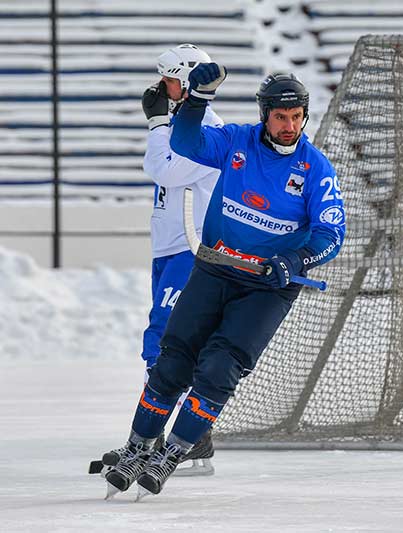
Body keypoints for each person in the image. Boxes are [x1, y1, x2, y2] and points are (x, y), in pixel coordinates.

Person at [102, 62, 346, 498]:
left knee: (219, 367)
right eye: (280, 117)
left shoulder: (317, 169)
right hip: (216, 266)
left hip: (268, 286)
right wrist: (196, 101)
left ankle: (175, 452)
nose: (289, 126)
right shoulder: (235, 141)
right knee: (172, 360)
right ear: (264, 114)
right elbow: (184, 141)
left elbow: (332, 235)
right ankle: (137, 446)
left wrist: (292, 261)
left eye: (296, 117)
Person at [97, 43, 223, 477]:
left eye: (169, 79)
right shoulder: (178, 123)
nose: (160, 87)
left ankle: (175, 442)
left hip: (191, 248)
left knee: (165, 339)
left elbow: (163, 170)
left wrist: (155, 123)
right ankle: (171, 441)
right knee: (168, 340)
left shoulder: (207, 129)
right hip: (168, 248)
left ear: (188, 82)